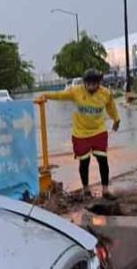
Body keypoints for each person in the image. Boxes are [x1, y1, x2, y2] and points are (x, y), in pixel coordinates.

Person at [35, 68, 121, 199]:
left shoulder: (105, 93)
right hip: (80, 133)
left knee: (103, 160)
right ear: (85, 83)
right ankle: (86, 189)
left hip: (99, 131)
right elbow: (60, 95)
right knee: (84, 162)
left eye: (94, 84)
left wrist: (116, 119)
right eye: (89, 84)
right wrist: (45, 95)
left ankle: (105, 190)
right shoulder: (76, 91)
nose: (91, 87)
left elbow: (111, 106)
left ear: (99, 83)